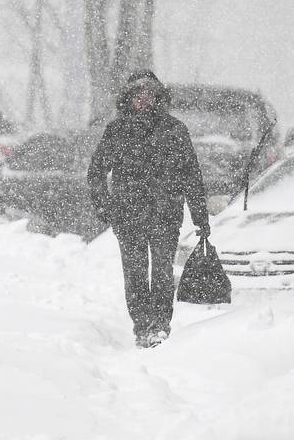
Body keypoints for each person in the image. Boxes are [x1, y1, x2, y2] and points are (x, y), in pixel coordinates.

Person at [87, 69, 210, 347]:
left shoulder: (174, 129)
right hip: (127, 215)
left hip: (165, 214)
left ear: (158, 97)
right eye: (138, 95)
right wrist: (104, 207)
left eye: (149, 95)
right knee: (135, 272)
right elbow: (96, 171)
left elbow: (191, 174)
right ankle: (142, 325)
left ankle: (160, 325)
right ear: (128, 98)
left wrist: (200, 215)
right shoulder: (117, 130)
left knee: (163, 272)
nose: (144, 100)